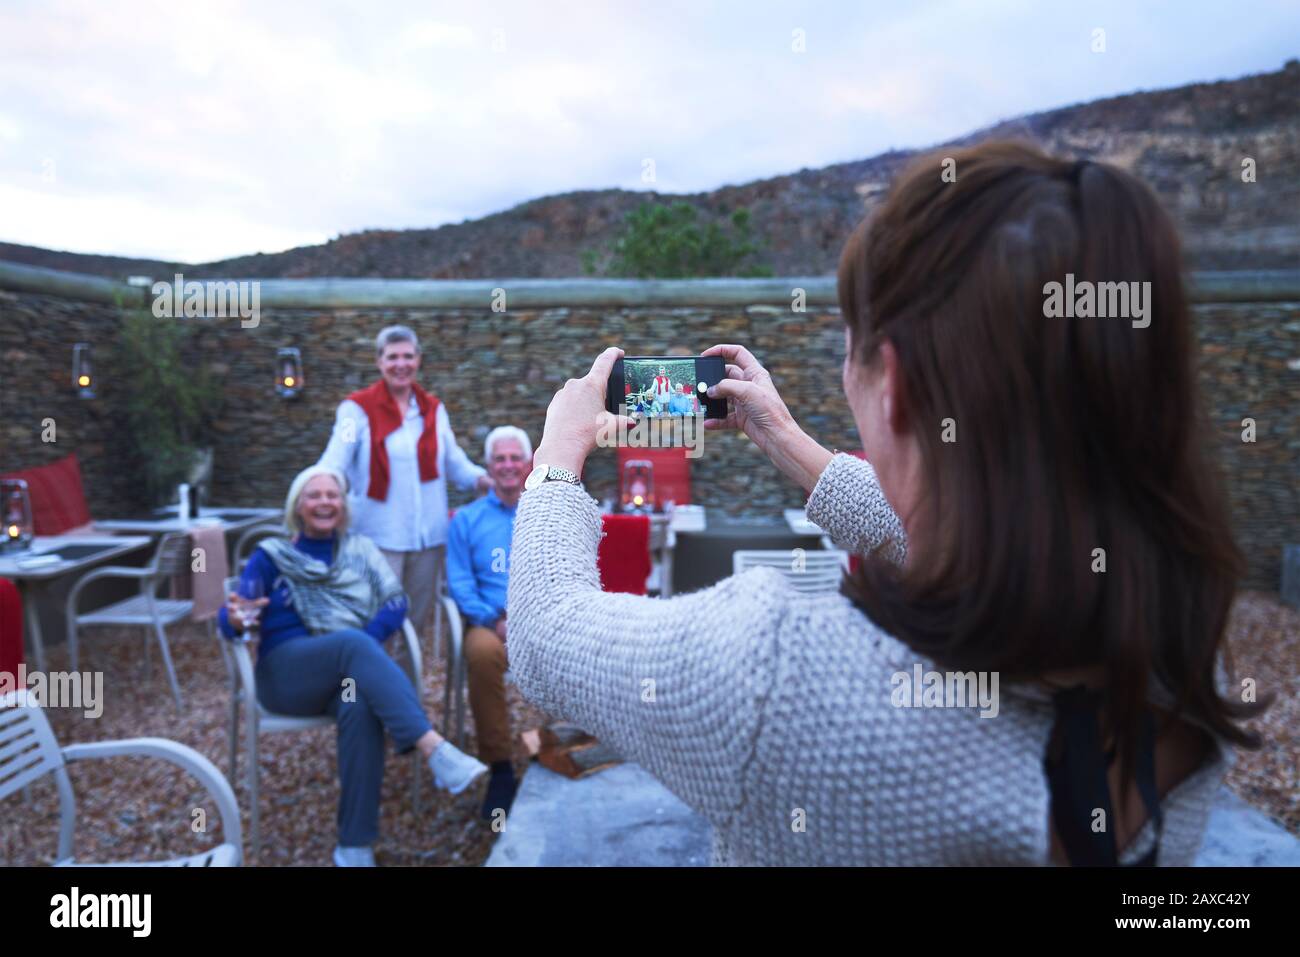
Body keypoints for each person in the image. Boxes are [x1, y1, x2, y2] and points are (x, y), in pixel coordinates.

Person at [503, 142, 1268, 866]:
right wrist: (787, 440)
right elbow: (968, 527)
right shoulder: (1181, 645)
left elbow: (544, 634)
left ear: (893, 382)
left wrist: (556, 461)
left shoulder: (772, 677)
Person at [218, 464, 488, 867]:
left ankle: (354, 845)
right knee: (350, 643)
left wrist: (366, 644)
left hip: (344, 673)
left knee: (360, 706)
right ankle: (432, 747)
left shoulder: (360, 550)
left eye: (333, 495)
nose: (325, 502)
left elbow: (396, 602)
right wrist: (236, 619)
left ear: (343, 506)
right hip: (285, 675)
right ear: (298, 506)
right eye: (315, 495)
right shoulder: (271, 556)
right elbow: (233, 616)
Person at [318, 325, 490, 637]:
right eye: (393, 357)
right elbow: (336, 459)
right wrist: (317, 492)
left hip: (428, 538)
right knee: (377, 622)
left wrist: (484, 480)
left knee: (415, 628)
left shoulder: (433, 410)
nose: (401, 364)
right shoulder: (355, 410)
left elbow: (454, 463)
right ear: (379, 362)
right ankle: (370, 685)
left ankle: (408, 686)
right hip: (378, 537)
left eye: (408, 356)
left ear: (418, 360)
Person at [445, 426, 531, 820]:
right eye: (500, 459)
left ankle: (573, 746)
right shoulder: (467, 520)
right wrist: (493, 618)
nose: (509, 465)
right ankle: (499, 767)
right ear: (489, 466)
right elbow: (459, 584)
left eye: (515, 457)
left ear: (529, 463)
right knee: (480, 654)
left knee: (593, 644)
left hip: (543, 617)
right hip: (490, 620)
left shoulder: (546, 511)